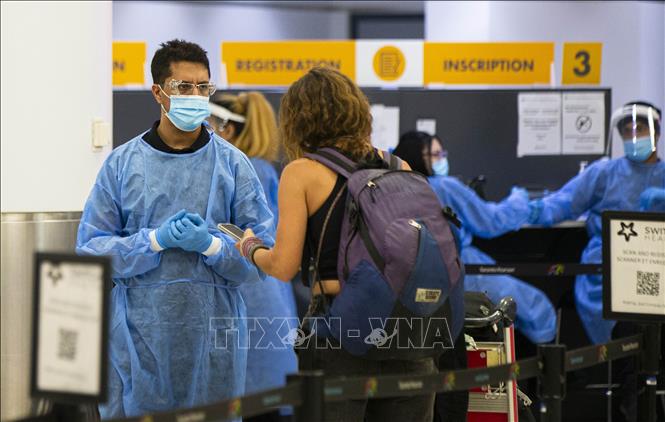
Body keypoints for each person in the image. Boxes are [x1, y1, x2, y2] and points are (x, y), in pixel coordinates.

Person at [76, 40, 274, 419]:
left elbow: (263, 256)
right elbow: (90, 250)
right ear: (158, 92)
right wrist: (152, 241)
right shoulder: (122, 165)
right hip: (139, 340)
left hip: (213, 342)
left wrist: (213, 247)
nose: (196, 96)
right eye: (184, 87)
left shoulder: (233, 166)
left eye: (203, 87)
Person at [233, 67, 440, 422]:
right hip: (410, 330)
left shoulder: (302, 172)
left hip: (340, 330)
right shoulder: (399, 165)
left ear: (299, 119)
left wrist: (251, 247)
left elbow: (283, 266)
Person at [393, 131, 557, 344]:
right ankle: (549, 360)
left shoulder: (393, 188)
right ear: (418, 156)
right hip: (461, 269)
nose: (440, 159)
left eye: (442, 153)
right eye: (435, 155)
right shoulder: (444, 186)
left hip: (413, 283)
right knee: (536, 308)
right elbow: (491, 221)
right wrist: (520, 199)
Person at [528, 101, 665, 345]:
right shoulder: (604, 173)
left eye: (640, 129)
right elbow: (564, 202)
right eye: (627, 131)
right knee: (622, 340)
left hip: (657, 267)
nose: (634, 136)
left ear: (657, 132)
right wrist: (524, 210)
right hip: (608, 271)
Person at [208, 93, 298, 407]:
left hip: (252, 294)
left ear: (228, 130)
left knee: (254, 394)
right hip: (266, 293)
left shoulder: (245, 170)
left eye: (210, 125)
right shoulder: (258, 169)